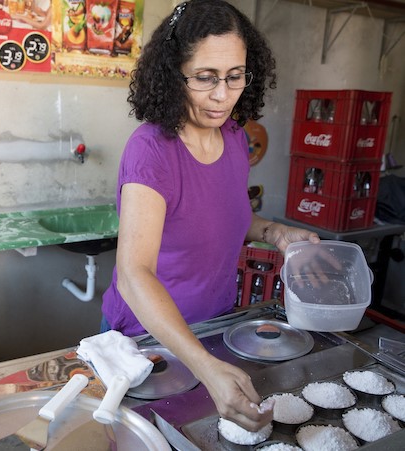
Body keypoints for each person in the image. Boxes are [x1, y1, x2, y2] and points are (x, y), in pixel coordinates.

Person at [101, 0, 320, 432]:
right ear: (172, 73)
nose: (222, 95)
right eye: (205, 78)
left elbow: (223, 217)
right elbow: (133, 272)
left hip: (215, 327)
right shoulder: (152, 150)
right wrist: (202, 365)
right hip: (151, 342)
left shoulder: (235, 138)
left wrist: (273, 231)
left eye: (234, 77)